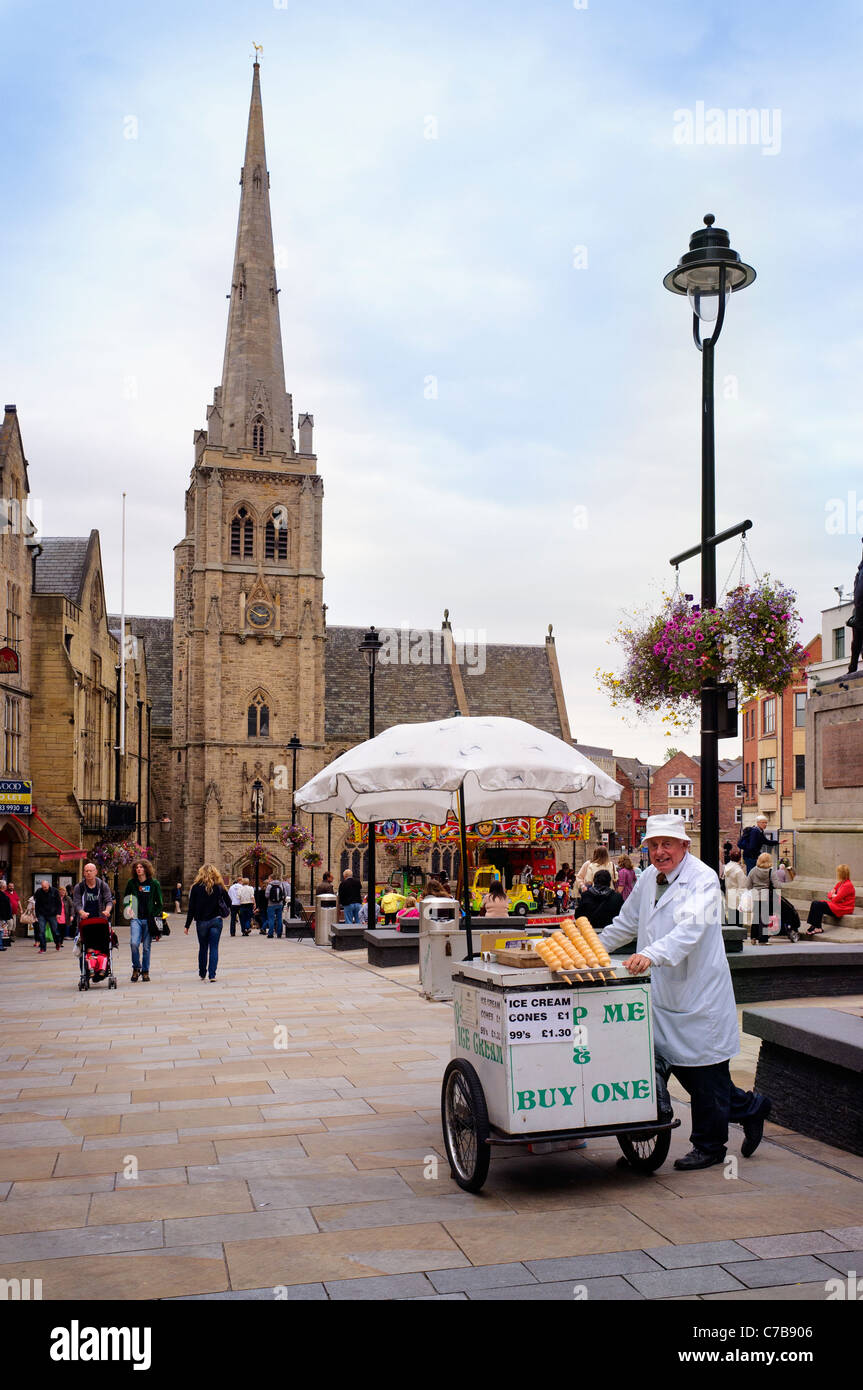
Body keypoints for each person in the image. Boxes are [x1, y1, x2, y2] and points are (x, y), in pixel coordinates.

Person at [598, 813, 771, 1171]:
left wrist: (650, 953)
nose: (660, 852)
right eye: (653, 845)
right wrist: (593, 948)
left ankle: (710, 1146)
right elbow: (627, 923)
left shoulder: (703, 880)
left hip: (697, 994)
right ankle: (750, 1108)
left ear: (684, 846)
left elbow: (690, 931)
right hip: (661, 991)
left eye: (667, 844)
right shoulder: (648, 878)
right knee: (685, 1070)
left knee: (704, 1073)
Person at [184, 863, 231, 981]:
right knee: (214, 948)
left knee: (203, 947)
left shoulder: (195, 887)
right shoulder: (219, 886)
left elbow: (191, 908)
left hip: (201, 922)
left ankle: (202, 972)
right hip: (216, 920)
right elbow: (229, 902)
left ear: (201, 874)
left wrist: (187, 925)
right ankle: (212, 975)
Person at [123, 859, 163, 983]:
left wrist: (154, 914)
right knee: (134, 944)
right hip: (136, 919)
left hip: (148, 920)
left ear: (146, 869)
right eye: (137, 867)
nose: (139, 869)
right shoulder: (131, 883)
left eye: (141, 867)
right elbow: (126, 898)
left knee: (146, 947)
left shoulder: (154, 883)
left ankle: (145, 971)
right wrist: (128, 908)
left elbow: (159, 903)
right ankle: (136, 968)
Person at [744, 853, 784, 944]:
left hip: (756, 896)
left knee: (756, 917)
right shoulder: (771, 871)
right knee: (764, 918)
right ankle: (763, 939)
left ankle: (753, 937)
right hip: (766, 897)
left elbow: (747, 885)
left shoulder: (753, 871)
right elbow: (777, 885)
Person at [806, 866, 856, 936]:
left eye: (838, 872)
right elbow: (829, 894)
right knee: (815, 903)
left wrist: (834, 895)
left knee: (818, 905)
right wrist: (834, 895)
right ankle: (815, 925)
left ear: (841, 873)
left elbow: (835, 899)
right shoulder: (840, 883)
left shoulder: (847, 885)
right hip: (837, 905)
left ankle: (817, 927)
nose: (837, 874)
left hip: (844, 908)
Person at [34, 878, 62, 954]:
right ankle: (43, 948)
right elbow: (36, 904)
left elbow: (59, 903)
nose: (44, 889)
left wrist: (58, 913)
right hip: (41, 914)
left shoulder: (55, 891)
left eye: (45, 887)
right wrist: (36, 915)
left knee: (55, 931)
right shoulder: (39, 892)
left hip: (52, 914)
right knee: (41, 931)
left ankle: (57, 942)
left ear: (48, 885)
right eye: (43, 887)